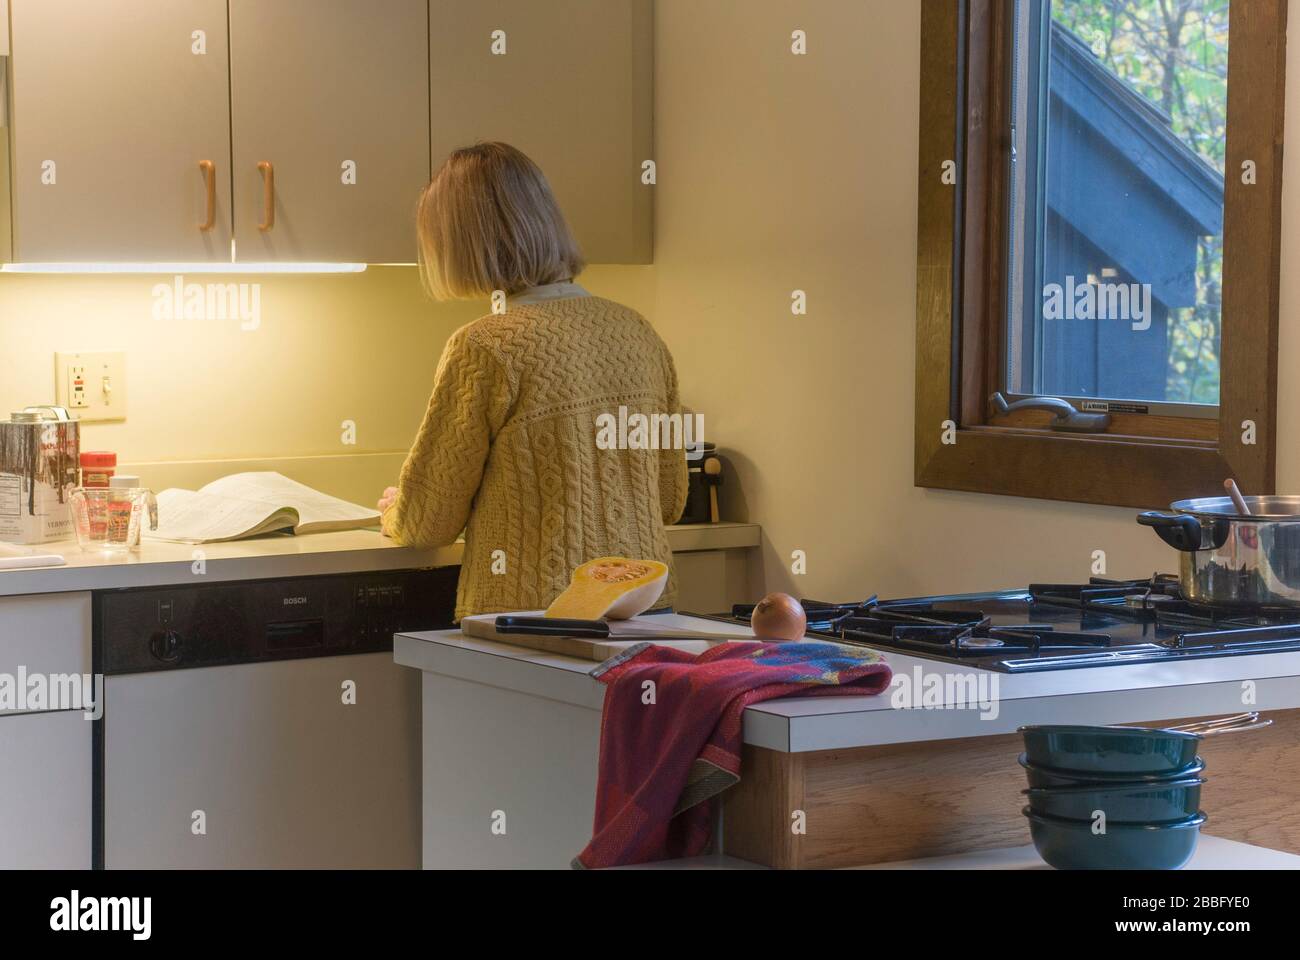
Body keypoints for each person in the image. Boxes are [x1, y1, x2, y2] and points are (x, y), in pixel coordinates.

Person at [379, 142, 688, 620]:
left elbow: (427, 524)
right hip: (647, 609)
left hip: (534, 615)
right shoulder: (637, 331)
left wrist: (396, 511)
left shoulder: (486, 347)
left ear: (463, 245)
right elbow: (668, 500)